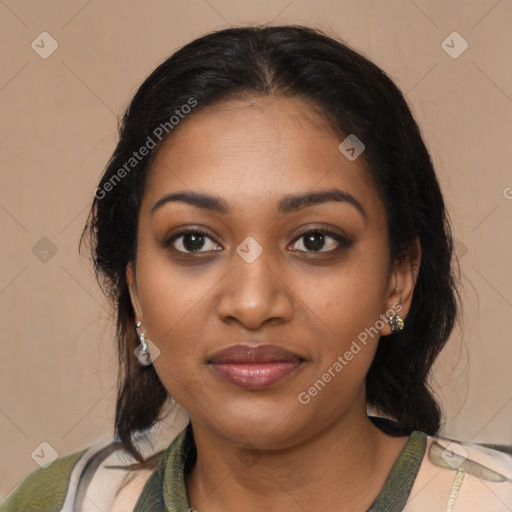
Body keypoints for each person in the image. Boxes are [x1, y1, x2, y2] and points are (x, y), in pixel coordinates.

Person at [2, 24, 511, 512]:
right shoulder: (62, 501)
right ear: (134, 288)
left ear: (398, 281)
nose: (251, 304)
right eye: (194, 240)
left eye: (315, 240)